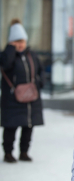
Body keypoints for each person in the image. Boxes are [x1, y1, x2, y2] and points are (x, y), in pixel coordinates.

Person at [0, 19, 44, 163]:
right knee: (11, 127)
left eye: (22, 41)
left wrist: (39, 83)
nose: (20, 44)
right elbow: (5, 65)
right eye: (17, 41)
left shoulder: (32, 55)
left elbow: (39, 71)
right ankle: (8, 153)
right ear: (12, 42)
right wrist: (10, 49)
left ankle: (24, 152)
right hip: (12, 98)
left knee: (28, 126)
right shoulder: (7, 54)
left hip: (32, 97)